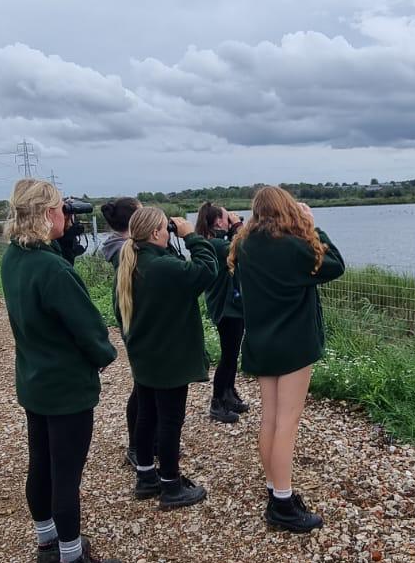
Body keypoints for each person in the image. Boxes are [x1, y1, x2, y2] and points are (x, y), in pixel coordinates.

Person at [1, 178, 124, 563]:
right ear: (46, 213)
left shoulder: (15, 259)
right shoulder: (51, 269)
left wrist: (64, 249)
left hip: (34, 381)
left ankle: (47, 544)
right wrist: (105, 357)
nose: (65, 216)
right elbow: (89, 329)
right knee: (67, 473)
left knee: (41, 463)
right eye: (59, 209)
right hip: (65, 387)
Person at [229, 187, 345, 533]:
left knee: (270, 419)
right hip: (293, 345)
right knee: (287, 423)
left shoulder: (245, 245)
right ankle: (282, 502)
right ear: (287, 209)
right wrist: (313, 227)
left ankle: (275, 489)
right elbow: (335, 265)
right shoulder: (293, 245)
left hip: (261, 342)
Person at [115, 206, 219, 509]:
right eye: (165, 227)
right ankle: (172, 486)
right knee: (170, 421)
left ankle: (146, 478)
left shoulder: (131, 265)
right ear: (156, 233)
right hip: (169, 359)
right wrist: (191, 237)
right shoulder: (162, 267)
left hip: (145, 357)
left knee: (147, 415)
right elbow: (206, 270)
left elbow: (118, 313)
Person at [194, 201, 248, 425]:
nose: (230, 219)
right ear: (217, 221)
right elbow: (246, 248)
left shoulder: (212, 243)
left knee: (232, 353)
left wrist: (234, 228)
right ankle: (217, 402)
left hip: (229, 306)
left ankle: (229, 393)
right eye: (226, 217)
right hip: (227, 308)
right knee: (228, 355)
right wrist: (238, 226)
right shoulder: (216, 245)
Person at [100, 196, 141, 466]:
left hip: (133, 321)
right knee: (143, 388)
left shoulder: (121, 246)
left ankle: (145, 443)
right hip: (136, 323)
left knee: (145, 386)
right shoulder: (126, 250)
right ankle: (138, 446)